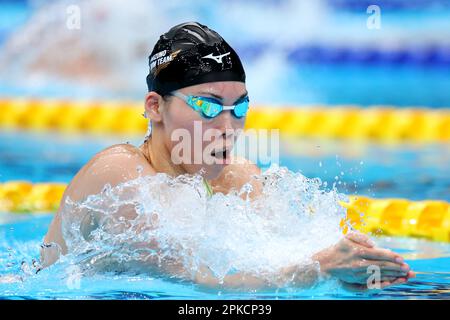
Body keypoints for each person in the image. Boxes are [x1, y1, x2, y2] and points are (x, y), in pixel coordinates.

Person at [42, 22, 415, 290]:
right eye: (208, 106)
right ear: (155, 107)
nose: (228, 125)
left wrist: (344, 272)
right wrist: (317, 269)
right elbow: (197, 280)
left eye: (239, 108)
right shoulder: (120, 174)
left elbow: (276, 258)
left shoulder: (237, 177)